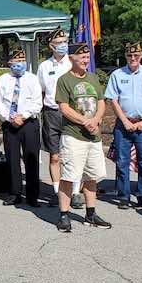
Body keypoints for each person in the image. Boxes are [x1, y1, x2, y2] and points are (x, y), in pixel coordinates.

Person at [54, 42, 111, 232]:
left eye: (88, 57)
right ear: (72, 58)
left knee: (92, 176)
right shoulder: (64, 80)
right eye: (82, 57)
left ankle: (91, 214)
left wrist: (96, 119)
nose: (86, 60)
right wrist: (85, 121)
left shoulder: (93, 78)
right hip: (74, 136)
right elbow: (64, 107)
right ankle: (64, 215)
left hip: (93, 137)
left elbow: (101, 102)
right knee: (69, 177)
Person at [105, 41, 142, 210]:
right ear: (125, 56)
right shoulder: (117, 74)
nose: (133, 58)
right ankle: (123, 196)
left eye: (136, 55)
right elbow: (112, 99)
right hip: (123, 125)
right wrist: (124, 120)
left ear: (141, 56)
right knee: (122, 161)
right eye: (130, 55)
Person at [0, 47, 43, 207]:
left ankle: (32, 195)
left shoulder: (32, 79)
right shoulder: (2, 80)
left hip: (29, 123)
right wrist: (9, 117)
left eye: (22, 61)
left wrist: (24, 115)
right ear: (10, 63)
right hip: (10, 123)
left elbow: (37, 102)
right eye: (16, 61)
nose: (20, 64)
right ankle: (15, 193)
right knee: (12, 159)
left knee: (31, 158)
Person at [36, 29, 73, 207]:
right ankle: (58, 192)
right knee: (55, 157)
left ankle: (74, 192)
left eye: (64, 41)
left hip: (71, 113)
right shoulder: (44, 66)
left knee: (72, 155)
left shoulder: (73, 63)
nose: (63, 45)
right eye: (59, 42)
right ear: (51, 45)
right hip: (51, 113)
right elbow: (40, 91)